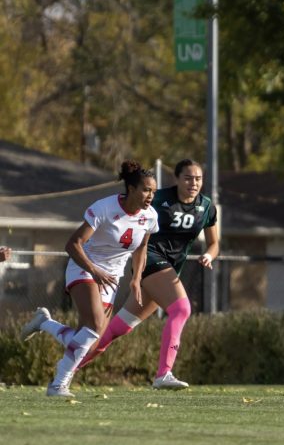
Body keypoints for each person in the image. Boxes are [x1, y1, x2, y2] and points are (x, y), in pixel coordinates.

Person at [21, 161, 158, 397]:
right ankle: (57, 385)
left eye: (153, 191)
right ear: (132, 189)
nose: (150, 196)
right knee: (94, 326)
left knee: (90, 343)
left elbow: (140, 249)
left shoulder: (150, 216)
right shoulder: (104, 207)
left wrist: (136, 279)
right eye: (146, 190)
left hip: (111, 279)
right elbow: (72, 244)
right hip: (83, 268)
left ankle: (44, 322)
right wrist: (94, 271)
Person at [77, 159, 219, 389]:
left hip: (169, 270)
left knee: (116, 329)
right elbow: (129, 215)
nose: (194, 183)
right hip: (149, 260)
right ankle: (164, 375)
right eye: (188, 178)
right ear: (176, 179)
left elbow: (214, 243)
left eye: (198, 178)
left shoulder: (207, 206)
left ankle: (66, 369)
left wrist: (209, 255)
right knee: (181, 309)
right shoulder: (158, 198)